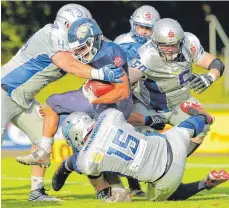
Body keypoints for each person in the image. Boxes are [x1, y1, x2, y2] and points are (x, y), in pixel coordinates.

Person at [1, 4, 124, 201]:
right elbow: (69, 63)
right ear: (66, 24)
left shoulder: (72, 38)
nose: (82, 31)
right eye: (79, 26)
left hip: (23, 99)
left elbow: (102, 44)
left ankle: (36, 193)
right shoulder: (51, 35)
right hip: (3, 91)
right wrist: (99, 73)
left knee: (42, 142)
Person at [51, 101, 229, 202]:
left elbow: (98, 183)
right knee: (186, 127)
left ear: (74, 136)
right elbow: (121, 115)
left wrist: (71, 164)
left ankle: (205, 183)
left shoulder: (86, 159)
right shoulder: (109, 116)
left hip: (164, 175)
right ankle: (203, 117)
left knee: (169, 194)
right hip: (169, 143)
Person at [124, 18, 225, 156]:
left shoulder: (189, 44)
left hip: (181, 103)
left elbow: (216, 63)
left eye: (174, 45)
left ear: (182, 41)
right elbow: (125, 81)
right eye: (165, 46)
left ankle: (174, 162)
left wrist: (210, 77)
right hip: (149, 105)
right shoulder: (145, 56)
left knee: (202, 128)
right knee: (137, 140)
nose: (170, 50)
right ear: (154, 43)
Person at [114, 5, 161, 196]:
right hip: (122, 95)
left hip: (147, 96)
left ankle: (147, 181)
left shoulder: (160, 44)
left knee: (145, 138)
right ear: (133, 24)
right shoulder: (121, 42)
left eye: (148, 28)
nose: (143, 31)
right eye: (141, 27)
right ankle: (125, 185)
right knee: (124, 137)